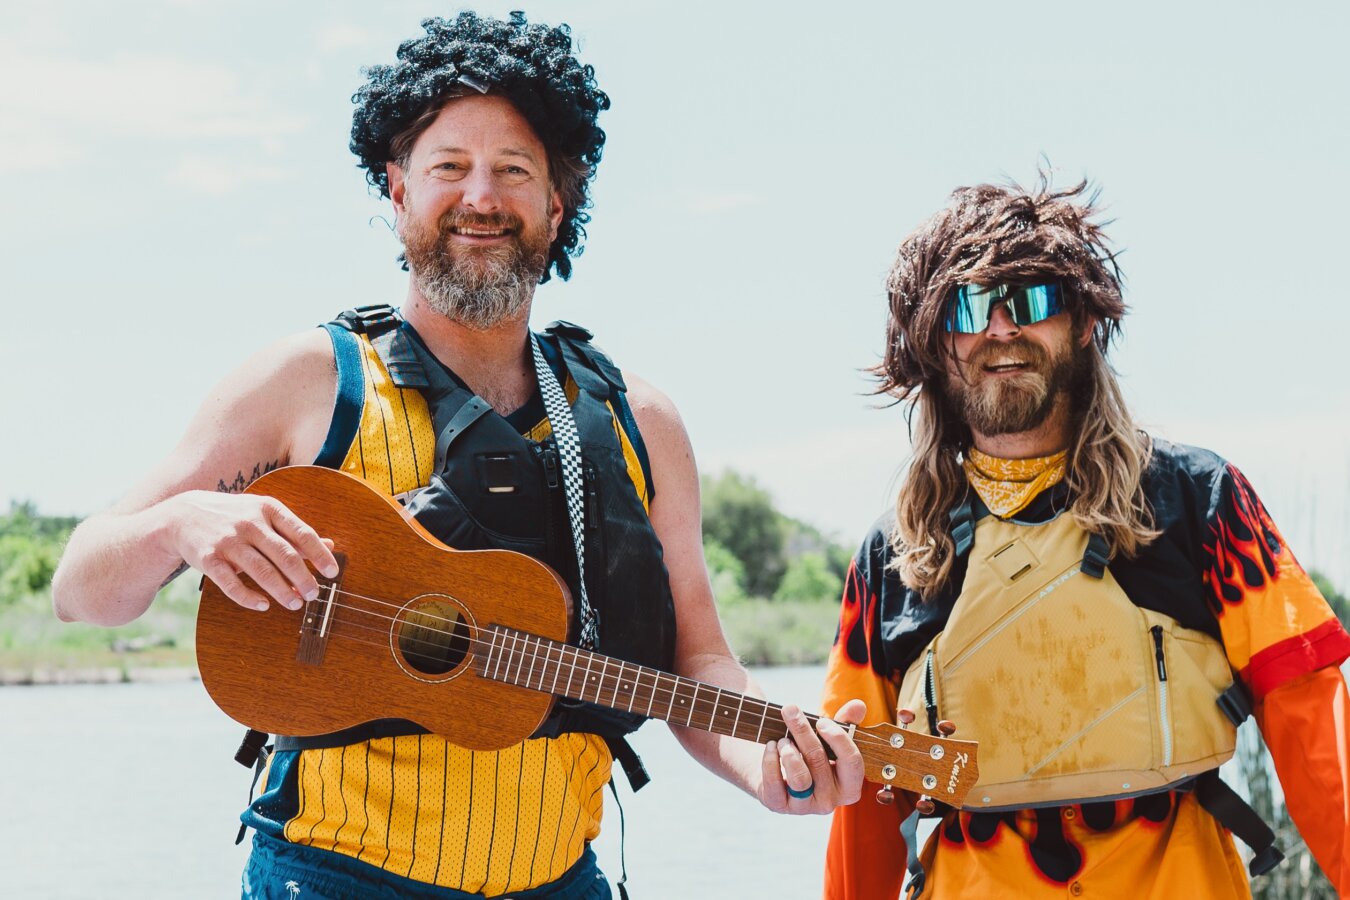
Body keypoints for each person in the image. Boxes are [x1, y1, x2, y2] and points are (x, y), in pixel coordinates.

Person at [51, 12, 864, 899]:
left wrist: (770, 768)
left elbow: (699, 662)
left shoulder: (643, 420)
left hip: (565, 879)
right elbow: (80, 586)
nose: (481, 197)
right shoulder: (308, 383)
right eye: (449, 167)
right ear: (397, 189)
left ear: (557, 205)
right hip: (330, 879)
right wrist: (180, 522)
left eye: (513, 170)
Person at [819, 176, 1350, 898]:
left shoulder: (1197, 500)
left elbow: (1315, 730)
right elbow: (861, 804)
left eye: (1034, 300)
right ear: (935, 341)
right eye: (970, 307)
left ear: (1084, 322)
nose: (1002, 329)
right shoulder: (894, 557)